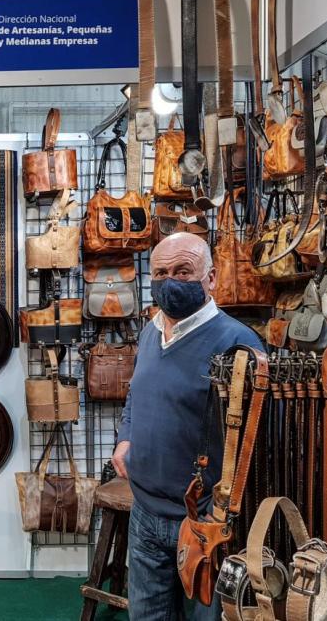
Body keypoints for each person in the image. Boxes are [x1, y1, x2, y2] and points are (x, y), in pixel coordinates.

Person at [111, 232, 263, 620]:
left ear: (210, 278)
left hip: (203, 522)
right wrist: (126, 438)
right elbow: (135, 394)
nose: (170, 280)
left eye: (183, 271)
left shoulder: (238, 343)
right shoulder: (150, 332)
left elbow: (255, 439)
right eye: (161, 272)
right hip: (144, 511)